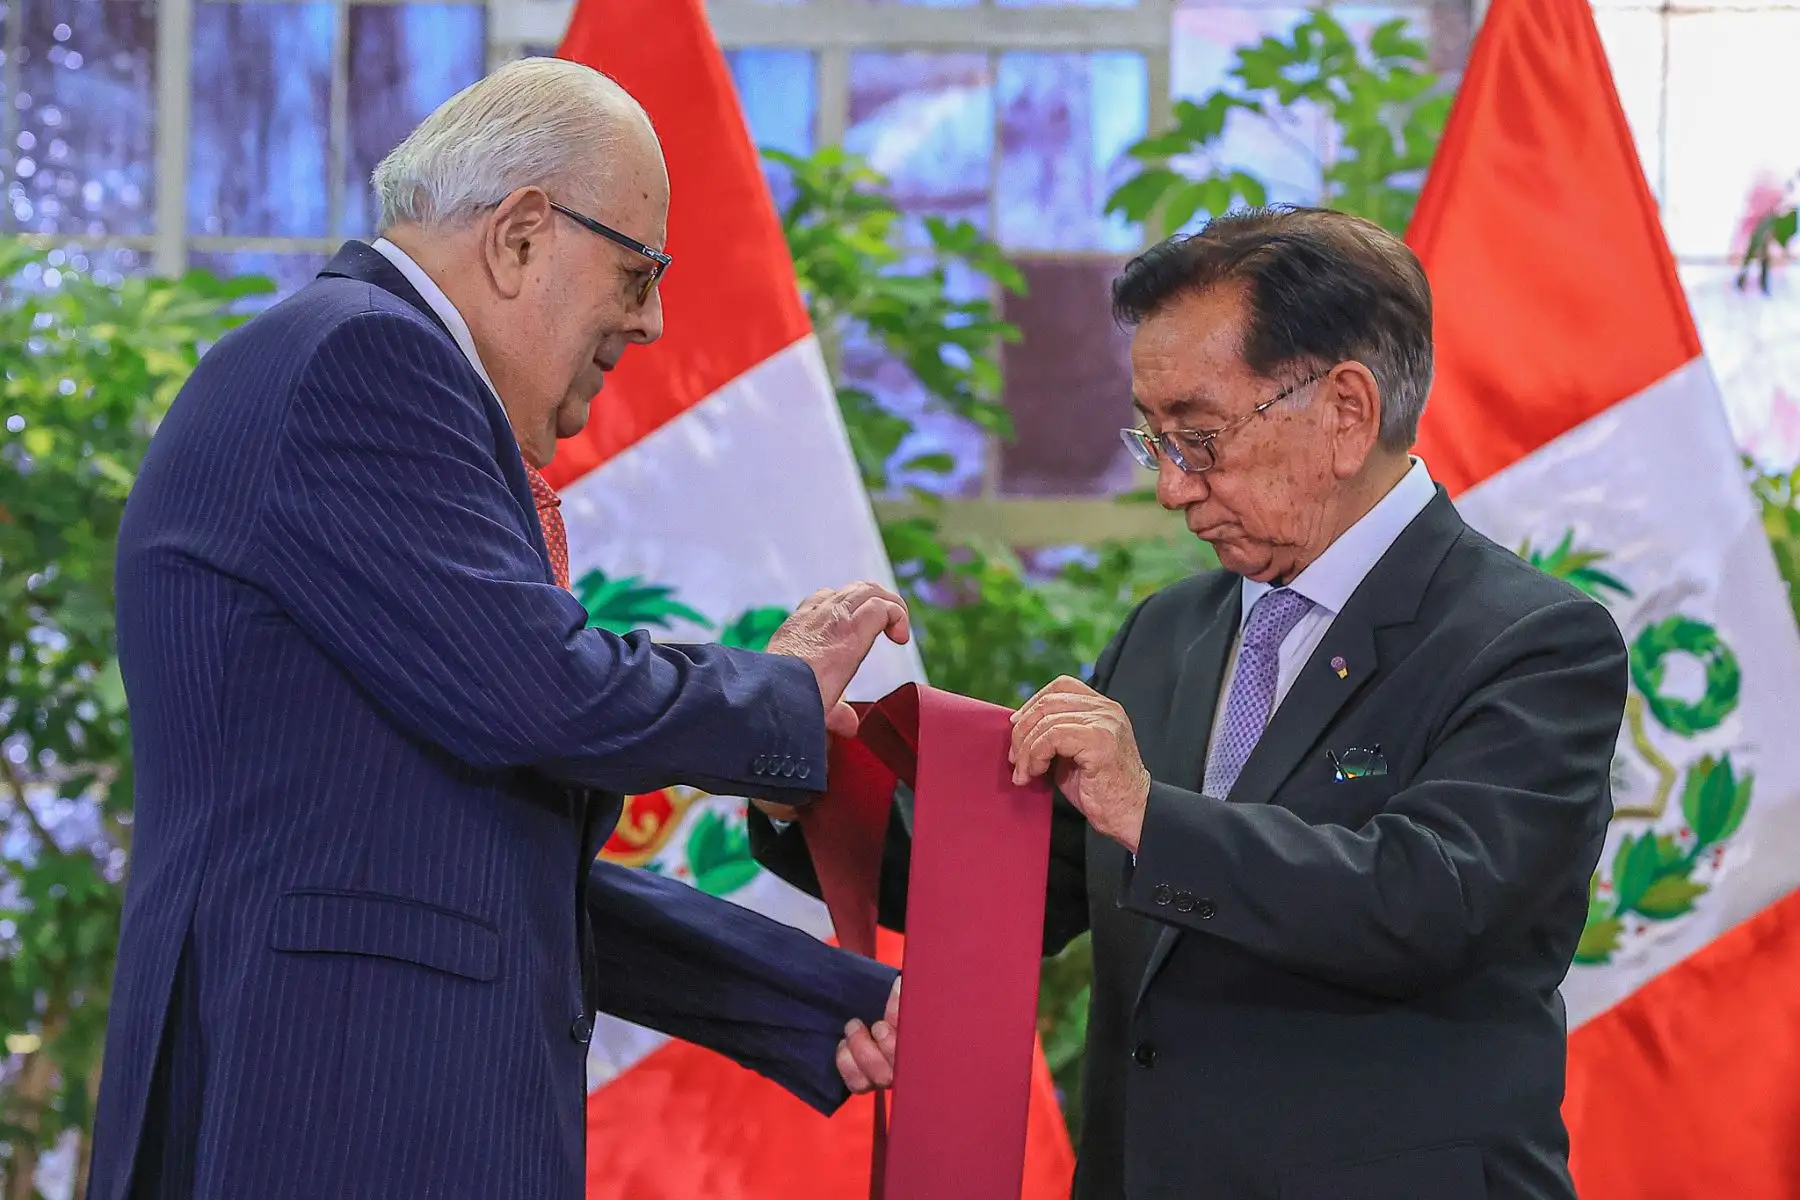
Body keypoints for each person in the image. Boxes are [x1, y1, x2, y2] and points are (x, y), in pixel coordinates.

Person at [91, 58, 903, 1200]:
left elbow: (478, 858)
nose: (655, 318)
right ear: (521, 235)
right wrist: (777, 698)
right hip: (324, 1113)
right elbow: (545, 692)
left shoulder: (350, 363)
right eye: (637, 269)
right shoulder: (361, 359)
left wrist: (823, 1004)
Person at [753, 206, 1630, 1200]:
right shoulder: (1170, 633)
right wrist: (794, 768)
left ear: (1347, 410)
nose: (1172, 489)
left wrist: (1152, 817)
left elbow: (1426, 903)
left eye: (1200, 437)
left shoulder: (1531, 642)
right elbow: (1020, 888)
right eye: (1153, 438)